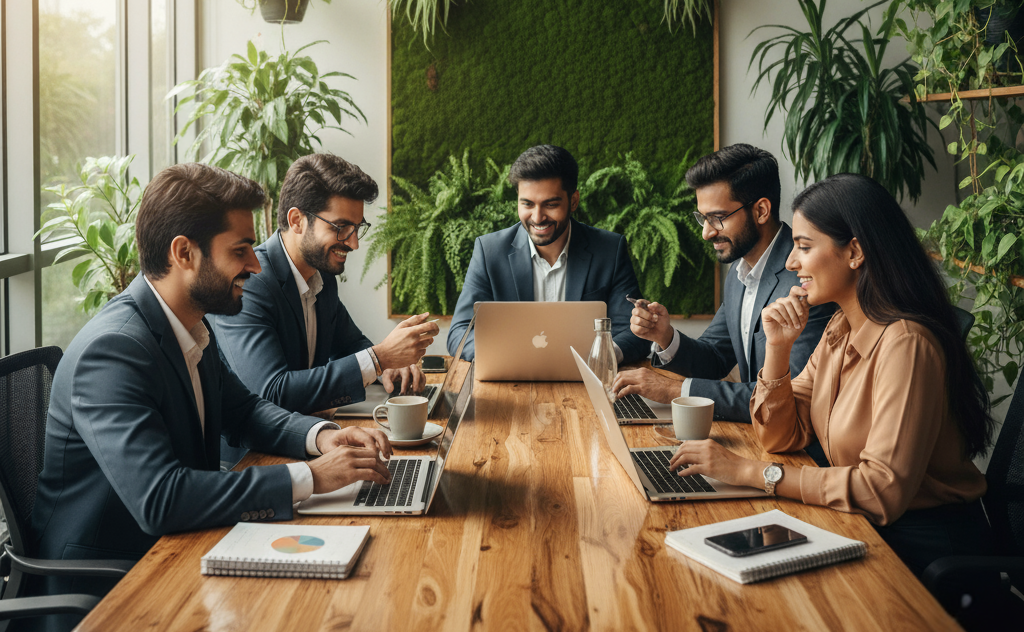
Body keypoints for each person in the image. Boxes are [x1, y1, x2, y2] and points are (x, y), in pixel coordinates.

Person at [21, 164, 393, 632]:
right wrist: (311, 477)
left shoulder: (190, 326)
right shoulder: (113, 350)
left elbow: (247, 411)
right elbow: (161, 498)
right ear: (184, 253)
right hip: (105, 602)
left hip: (179, 555)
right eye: (240, 250)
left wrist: (322, 436)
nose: (256, 266)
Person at [668, 173, 994, 577]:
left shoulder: (906, 344)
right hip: (860, 524)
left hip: (920, 552)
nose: (791, 262)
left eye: (804, 247)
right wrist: (778, 348)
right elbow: (779, 437)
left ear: (854, 251)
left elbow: (881, 491)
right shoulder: (841, 327)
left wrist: (749, 472)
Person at [613, 144, 834, 422]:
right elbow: (716, 358)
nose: (706, 233)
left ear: (761, 210)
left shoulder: (805, 283)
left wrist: (675, 390)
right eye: (703, 218)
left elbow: (788, 397)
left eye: (717, 218)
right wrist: (664, 336)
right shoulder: (739, 273)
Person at [212, 154, 437, 421]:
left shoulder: (322, 275)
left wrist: (387, 367)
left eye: (357, 228)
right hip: (261, 445)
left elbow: (350, 344)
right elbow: (272, 392)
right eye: (340, 227)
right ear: (296, 220)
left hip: (312, 429)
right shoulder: (251, 283)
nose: (353, 243)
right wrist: (379, 359)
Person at [447, 144, 649, 363]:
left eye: (550, 205)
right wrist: (507, 359)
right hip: (510, 375)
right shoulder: (489, 252)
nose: (537, 217)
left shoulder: (610, 250)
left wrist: (602, 358)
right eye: (527, 204)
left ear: (573, 201)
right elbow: (460, 332)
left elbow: (633, 331)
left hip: (588, 376)